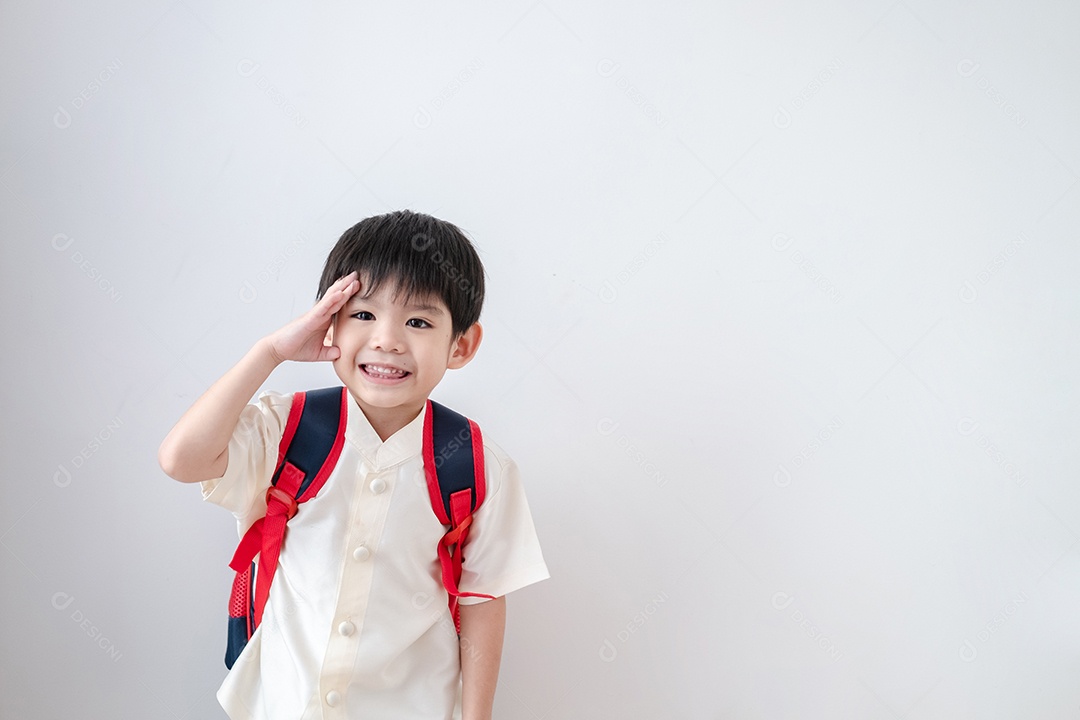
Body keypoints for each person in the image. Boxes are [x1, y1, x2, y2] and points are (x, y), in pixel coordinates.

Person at [158, 209, 550, 720]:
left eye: (418, 321)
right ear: (328, 320)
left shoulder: (478, 467)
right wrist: (271, 351)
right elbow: (181, 460)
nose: (386, 339)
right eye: (363, 315)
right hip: (282, 704)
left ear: (462, 345)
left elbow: (481, 601)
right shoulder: (288, 429)